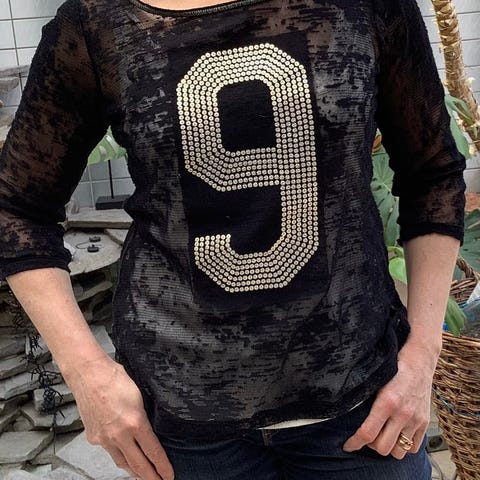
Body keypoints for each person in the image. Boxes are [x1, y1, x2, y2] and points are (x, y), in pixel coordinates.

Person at [0, 0, 466, 478]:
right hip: (185, 422)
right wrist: (86, 374)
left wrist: (422, 356)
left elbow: (432, 174)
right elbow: (18, 208)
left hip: (361, 406)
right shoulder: (97, 22)